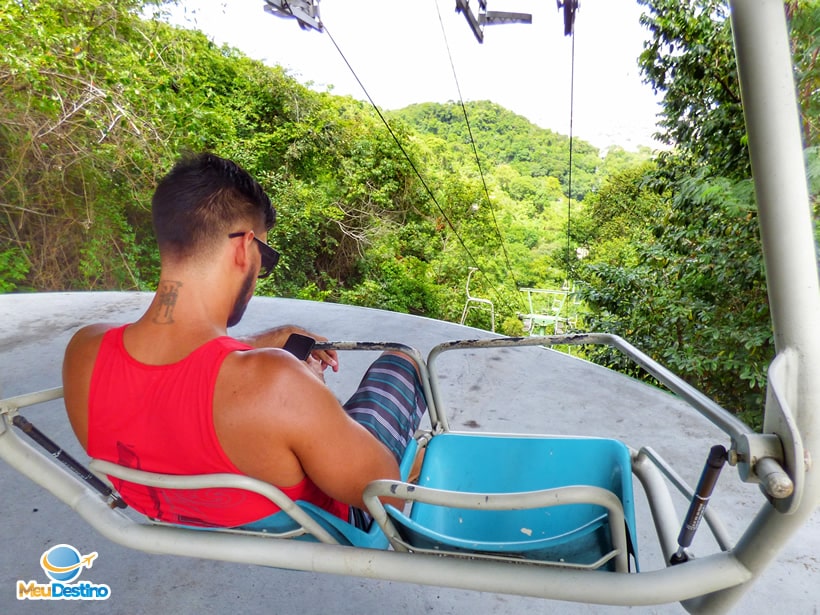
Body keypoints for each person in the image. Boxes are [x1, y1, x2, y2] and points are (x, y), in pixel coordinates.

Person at [62, 152, 427, 530]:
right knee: (403, 362)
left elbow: (181, 370)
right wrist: (313, 392)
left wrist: (260, 345)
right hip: (324, 525)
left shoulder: (85, 352)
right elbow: (386, 494)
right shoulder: (278, 384)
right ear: (243, 248)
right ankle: (416, 455)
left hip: (184, 514)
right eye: (264, 259)